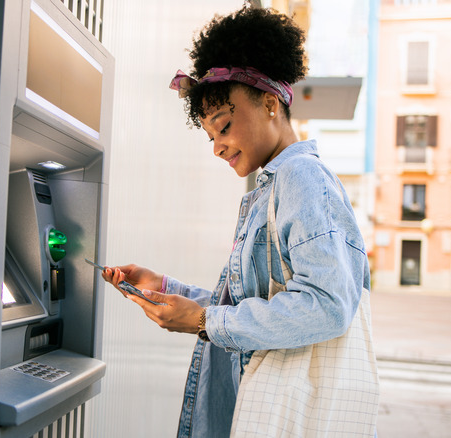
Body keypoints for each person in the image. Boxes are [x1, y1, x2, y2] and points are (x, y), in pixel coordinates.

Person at [101, 6, 378, 437]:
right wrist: (168, 289)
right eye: (210, 136)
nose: (217, 148)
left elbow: (327, 305)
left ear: (270, 103)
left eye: (225, 126)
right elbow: (258, 305)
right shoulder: (268, 189)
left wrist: (202, 321)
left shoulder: (300, 178)